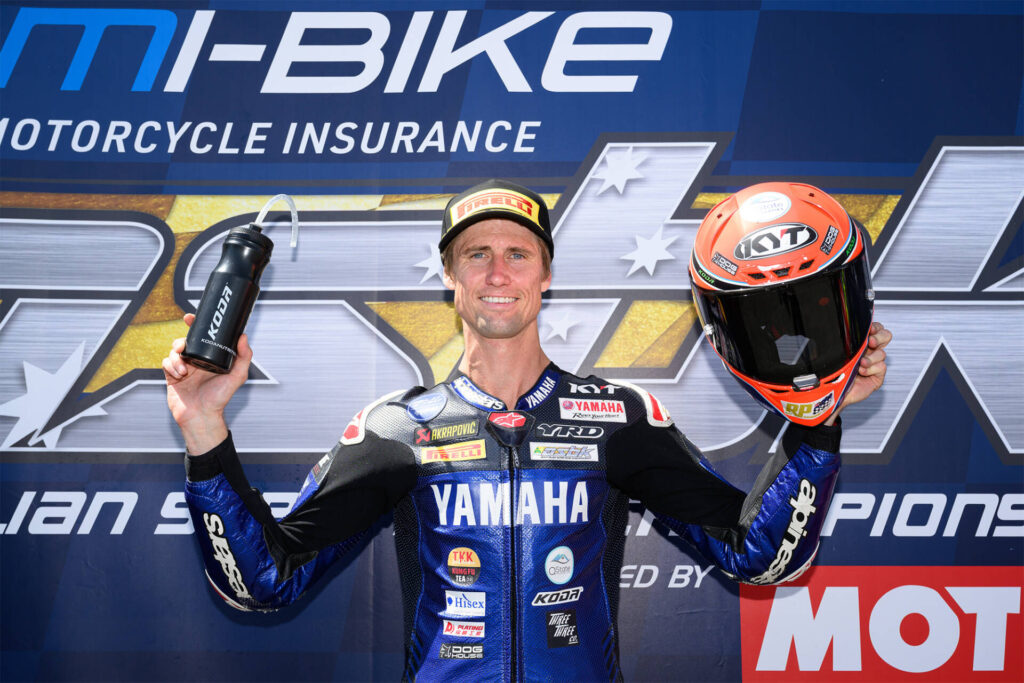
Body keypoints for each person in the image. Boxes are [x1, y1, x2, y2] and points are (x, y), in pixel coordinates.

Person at [164, 179, 891, 681]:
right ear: (449, 278)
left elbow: (759, 555)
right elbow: (263, 582)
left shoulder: (617, 418)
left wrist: (818, 418)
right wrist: (203, 426)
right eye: (475, 255)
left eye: (518, 254)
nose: (497, 273)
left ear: (546, 276)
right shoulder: (397, 429)